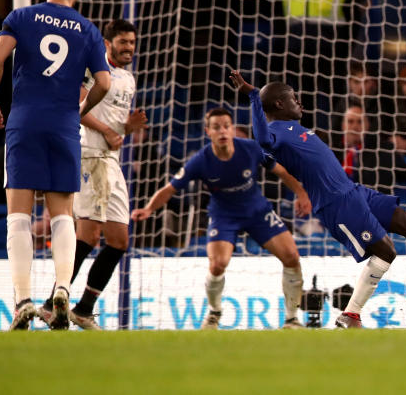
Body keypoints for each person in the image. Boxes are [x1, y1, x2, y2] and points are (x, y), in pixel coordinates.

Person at [228, 70, 406, 328]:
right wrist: (254, 96)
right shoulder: (274, 130)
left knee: (404, 220)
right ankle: (351, 314)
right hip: (336, 204)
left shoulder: (294, 128)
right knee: (386, 251)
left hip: (354, 191)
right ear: (278, 104)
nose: (299, 102)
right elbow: (262, 140)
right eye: (292, 98)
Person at [0, 0, 111, 331]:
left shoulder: (21, 16)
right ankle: (63, 290)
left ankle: (23, 301)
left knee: (18, 216)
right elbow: (104, 81)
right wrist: (82, 108)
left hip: (24, 122)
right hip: (64, 127)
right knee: (62, 215)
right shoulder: (87, 29)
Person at [132, 108, 309, 329]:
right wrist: (148, 209)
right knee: (217, 265)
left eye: (226, 125)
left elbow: (282, 171)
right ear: (208, 131)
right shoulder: (200, 160)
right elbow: (170, 188)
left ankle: (292, 319)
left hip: (258, 212)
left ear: (233, 129)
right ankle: (214, 313)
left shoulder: (251, 149)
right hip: (224, 215)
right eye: (217, 127)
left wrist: (301, 194)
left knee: (292, 256)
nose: (223, 131)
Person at [34, 20, 145, 330]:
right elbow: (76, 105)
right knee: (89, 235)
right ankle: (50, 303)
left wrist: (126, 129)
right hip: (88, 156)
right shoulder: (91, 70)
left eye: (133, 42)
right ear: (107, 43)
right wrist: (109, 130)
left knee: (119, 240)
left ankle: (83, 309)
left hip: (111, 160)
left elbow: (114, 128)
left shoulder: (129, 79)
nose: (129, 47)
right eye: (123, 41)